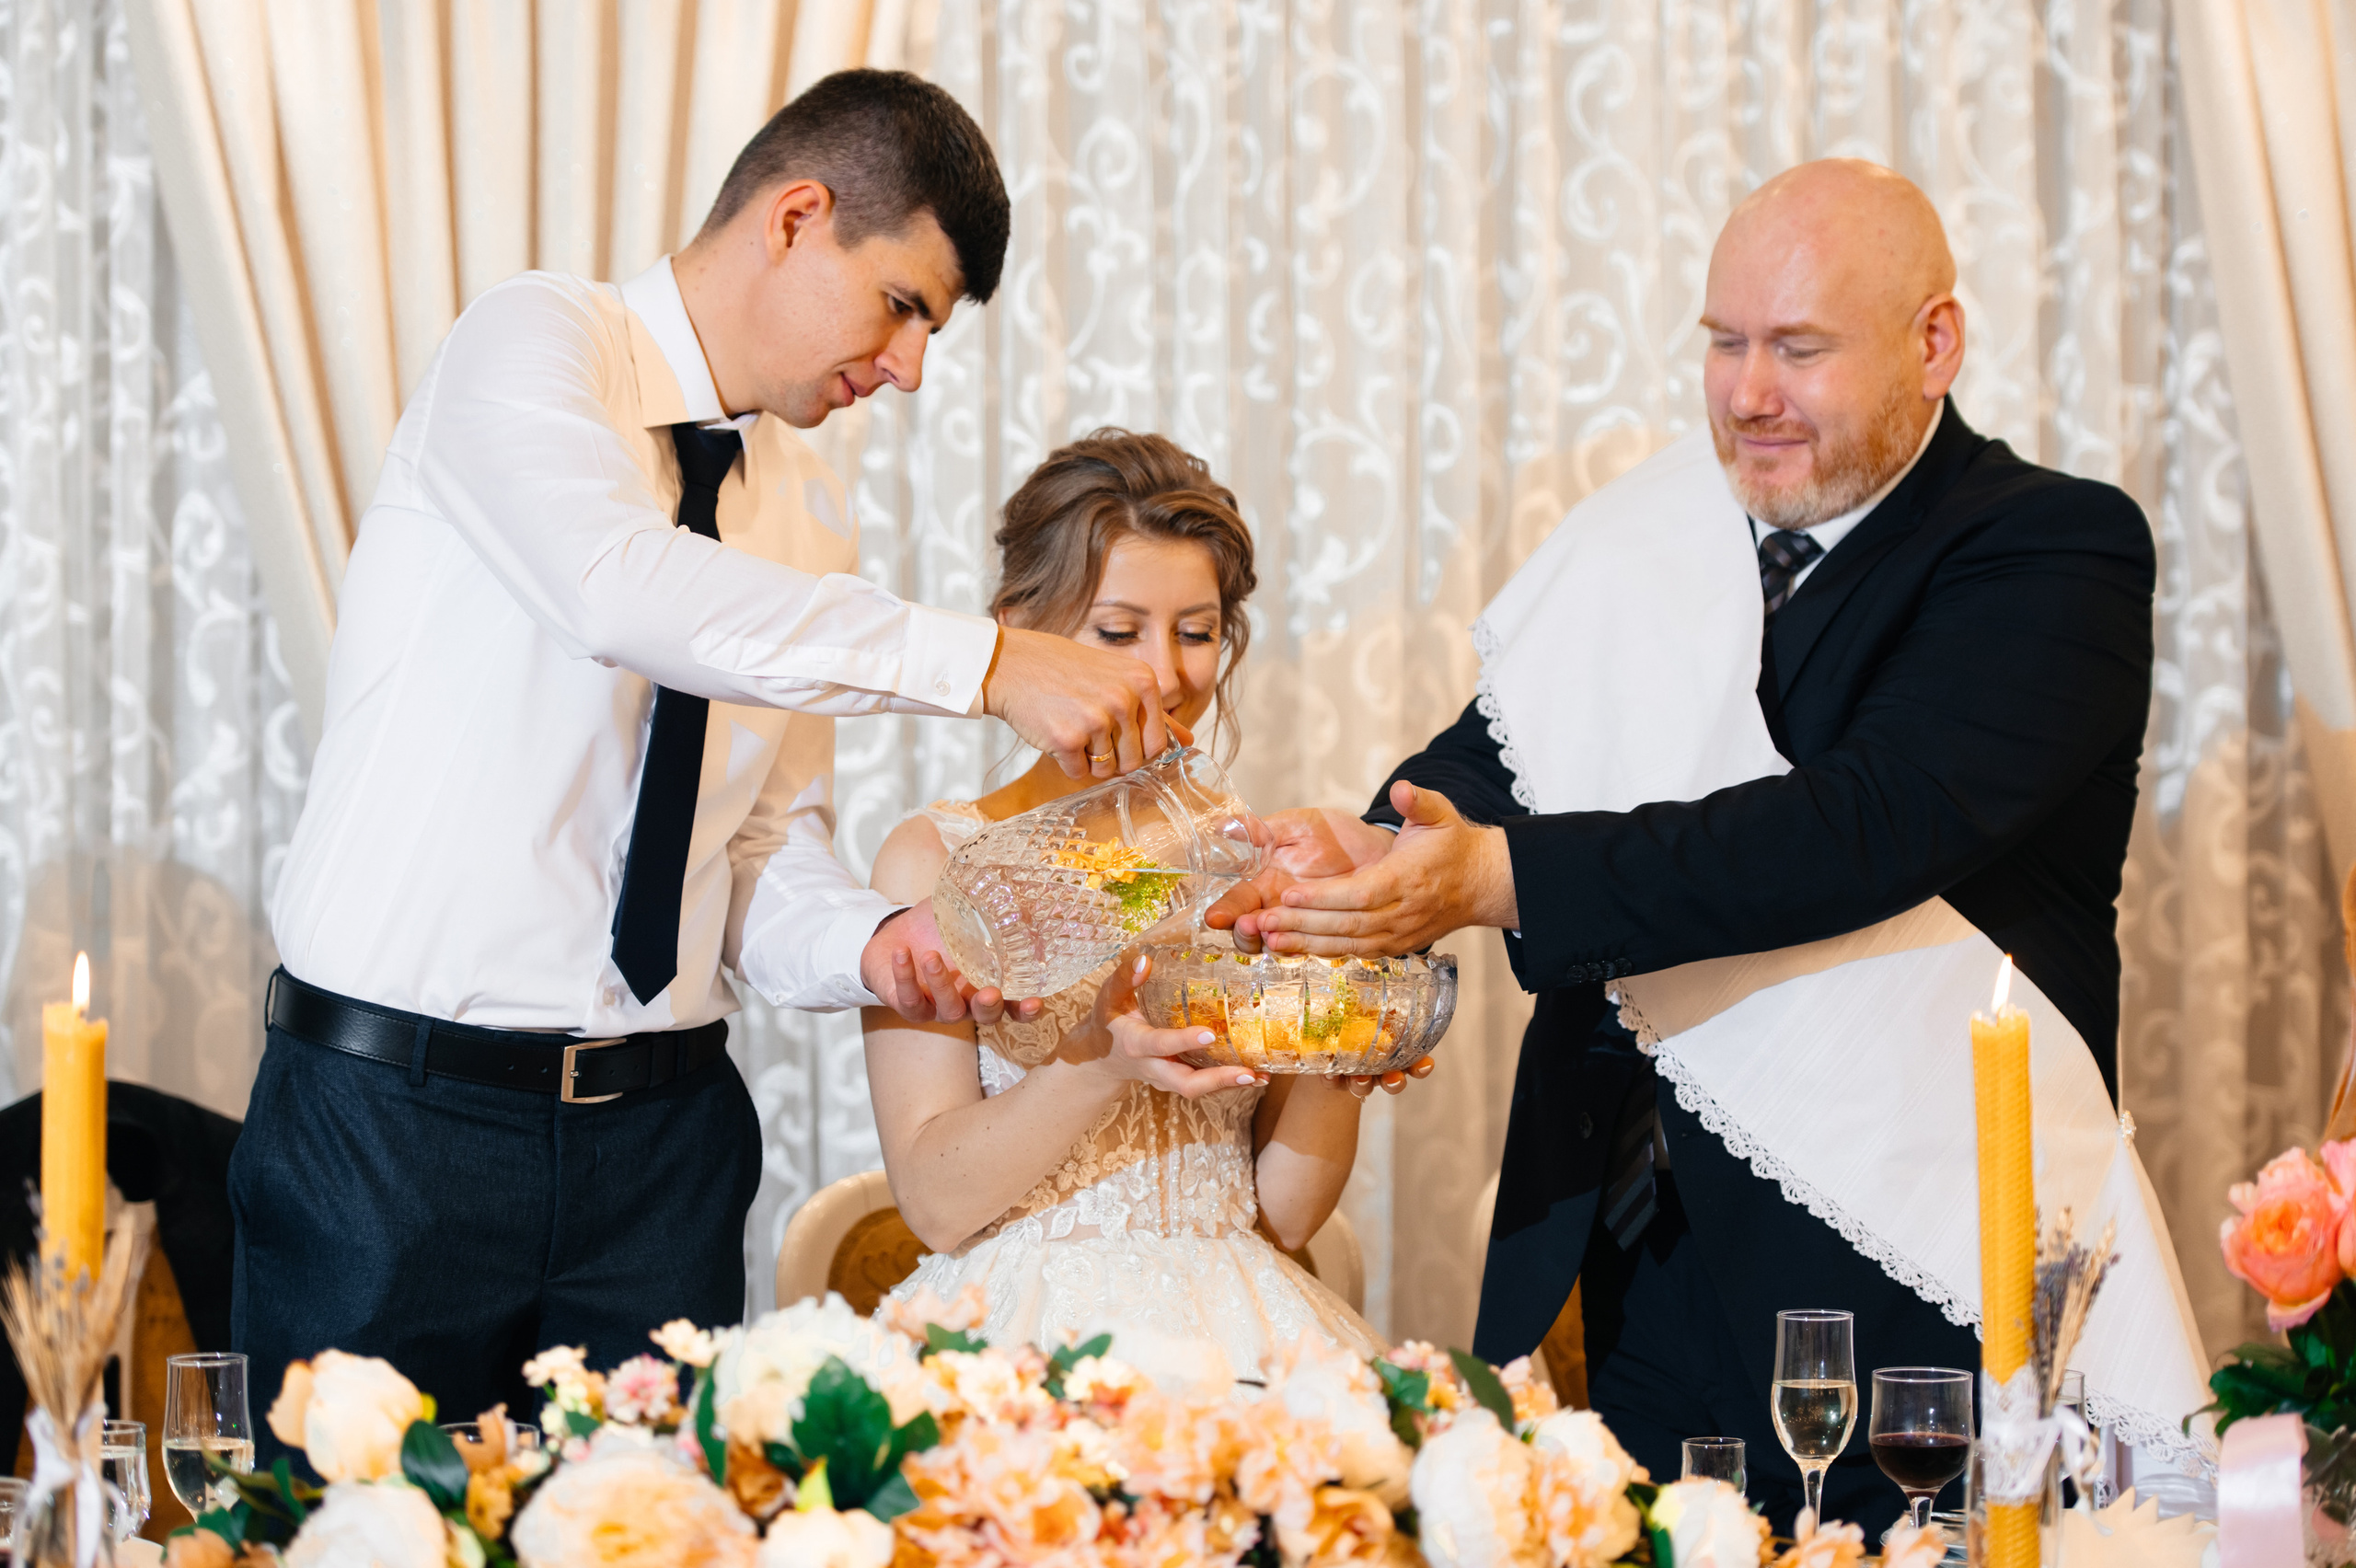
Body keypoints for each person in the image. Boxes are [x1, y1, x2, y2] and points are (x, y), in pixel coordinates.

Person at [1211, 160, 2213, 1530]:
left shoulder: (2052, 549)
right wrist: (1373, 840)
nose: (1748, 393)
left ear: (1936, 344)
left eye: (1800, 349)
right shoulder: (1657, 532)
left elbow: (1855, 828)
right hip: (1629, 1249)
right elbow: (1495, 761)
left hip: (1898, 1259)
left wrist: (1496, 877)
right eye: (1724, 343)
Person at [239, 72, 1187, 1436]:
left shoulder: (806, 503)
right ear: (799, 217)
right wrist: (987, 663)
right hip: (394, 1126)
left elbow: (750, 844)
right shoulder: (537, 343)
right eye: (904, 305)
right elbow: (624, 593)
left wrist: (877, 946)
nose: (910, 367)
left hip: (664, 1149)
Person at [861, 430, 1406, 1388]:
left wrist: (1340, 1050)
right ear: (1019, 629)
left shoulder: (1251, 857)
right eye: (1119, 632)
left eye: (1196, 632)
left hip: (1238, 1323)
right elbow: (936, 1203)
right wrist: (1099, 1069)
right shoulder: (938, 861)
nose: (1166, 672)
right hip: (1020, 1343)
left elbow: (1277, 1215)